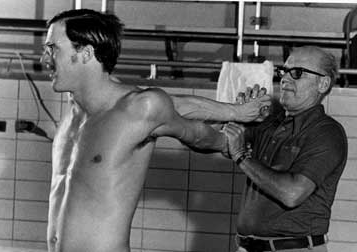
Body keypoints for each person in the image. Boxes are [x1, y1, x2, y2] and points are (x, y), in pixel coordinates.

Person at [40, 9, 271, 252]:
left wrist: (228, 140)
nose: (45, 58)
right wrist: (235, 111)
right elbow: (179, 104)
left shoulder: (140, 108)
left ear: (86, 53)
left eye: (52, 48)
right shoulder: (75, 110)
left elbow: (197, 134)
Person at [223, 46, 348, 252]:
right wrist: (236, 113)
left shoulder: (327, 133)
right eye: (284, 71)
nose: (284, 79)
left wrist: (241, 156)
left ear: (323, 84)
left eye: (297, 73)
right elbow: (214, 142)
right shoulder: (269, 123)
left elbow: (292, 194)